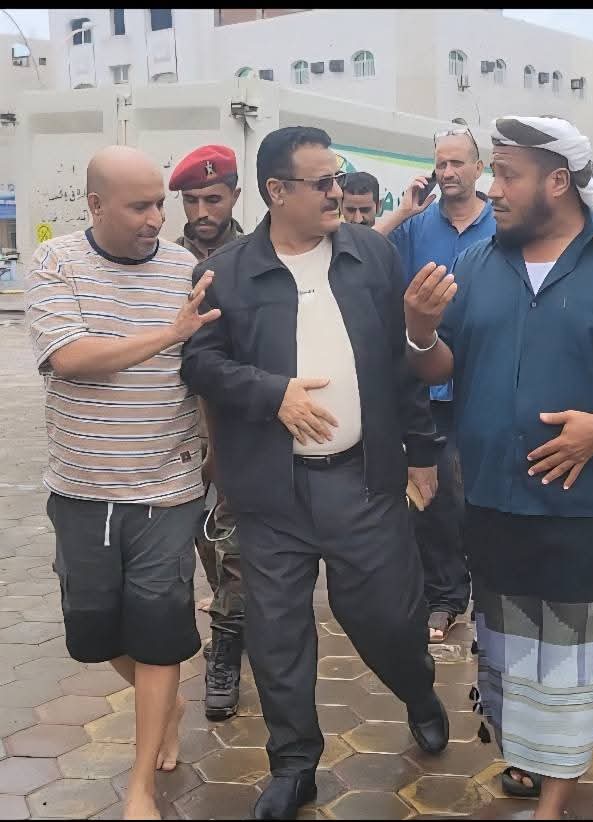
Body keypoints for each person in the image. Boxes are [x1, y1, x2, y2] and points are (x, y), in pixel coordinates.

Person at [402, 115, 593, 820]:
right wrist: (418, 329)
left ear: (558, 181)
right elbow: (442, 366)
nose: (492, 188)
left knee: (568, 657)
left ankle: (554, 799)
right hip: (492, 498)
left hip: (584, 502)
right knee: (506, 650)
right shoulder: (478, 263)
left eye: (507, 175)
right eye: (493, 172)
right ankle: (526, 756)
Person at [181, 126, 448, 820]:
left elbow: (400, 363)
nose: (338, 193)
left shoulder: (371, 255)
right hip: (270, 491)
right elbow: (200, 363)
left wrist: (421, 451)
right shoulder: (228, 272)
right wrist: (273, 394)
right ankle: (293, 765)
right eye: (323, 182)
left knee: (386, 617)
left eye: (339, 179)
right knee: (277, 635)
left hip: (363, 482)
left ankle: (418, 691)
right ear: (277, 191)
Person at [24, 145, 218, 820]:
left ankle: (141, 786)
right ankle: (164, 704)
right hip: (81, 487)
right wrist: (169, 333)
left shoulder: (186, 270)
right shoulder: (56, 263)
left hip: (166, 489)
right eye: (139, 206)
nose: (156, 218)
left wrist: (216, 460)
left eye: (160, 203)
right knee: (95, 634)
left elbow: (205, 373)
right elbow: (71, 358)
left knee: (160, 632)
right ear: (95, 205)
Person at [374, 124, 496, 643]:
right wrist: (401, 212)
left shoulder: (501, 222)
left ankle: (491, 598)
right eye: (440, 163)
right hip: (425, 388)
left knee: (484, 494)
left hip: (484, 379)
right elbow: (363, 251)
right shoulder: (415, 226)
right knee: (433, 496)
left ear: (478, 168)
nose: (447, 172)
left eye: (457, 163)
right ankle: (444, 597)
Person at [168, 144, 247, 723]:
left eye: (212, 199)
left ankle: (226, 651)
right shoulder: (165, 266)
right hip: (179, 437)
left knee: (239, 551)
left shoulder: (256, 259)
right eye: (191, 200)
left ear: (235, 196)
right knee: (205, 547)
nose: (202, 211)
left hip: (245, 430)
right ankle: (231, 625)